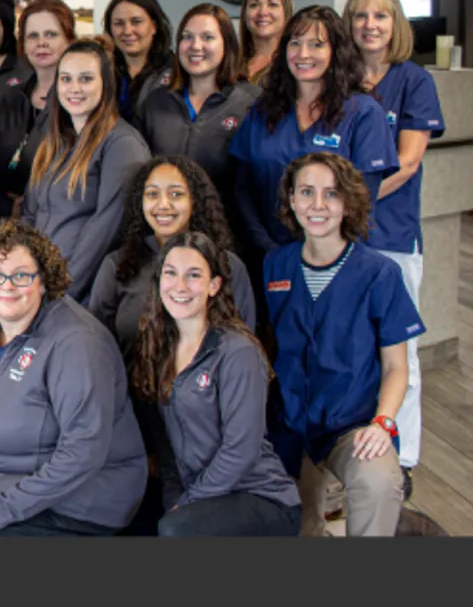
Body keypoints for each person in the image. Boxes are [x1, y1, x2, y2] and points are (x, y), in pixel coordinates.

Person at [0, 219, 148, 536]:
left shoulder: (77, 342)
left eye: (21, 276)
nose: (6, 286)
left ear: (44, 281)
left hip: (76, 502)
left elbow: (82, 452)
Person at [265, 152, 422, 537]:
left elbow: (396, 368)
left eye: (331, 194)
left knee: (379, 481)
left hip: (351, 426)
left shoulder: (379, 273)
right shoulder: (275, 266)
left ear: (348, 203)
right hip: (287, 425)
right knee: (292, 522)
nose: (318, 205)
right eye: (306, 192)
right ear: (291, 200)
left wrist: (384, 423)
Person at [131, 231, 301, 536]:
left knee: (174, 530)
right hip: (200, 498)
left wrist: (188, 505)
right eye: (171, 273)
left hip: (260, 496)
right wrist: (176, 502)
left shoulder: (237, 351)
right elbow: (167, 452)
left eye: (193, 275)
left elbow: (240, 450)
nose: (180, 286)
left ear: (214, 286)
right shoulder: (158, 351)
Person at [227, 4, 399, 307]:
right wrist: (268, 248)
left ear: (337, 52)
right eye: (295, 43)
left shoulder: (362, 113)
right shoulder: (264, 111)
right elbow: (241, 187)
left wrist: (311, 254)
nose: (303, 54)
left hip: (333, 264)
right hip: (266, 258)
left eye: (316, 44)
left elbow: (361, 201)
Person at [347, 0, 445, 495]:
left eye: (380, 17)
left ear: (396, 25)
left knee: (397, 348)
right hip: (339, 238)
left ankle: (401, 455)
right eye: (360, 16)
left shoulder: (413, 80)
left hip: (389, 235)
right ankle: (352, 452)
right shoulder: (339, 79)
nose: (369, 25)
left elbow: (406, 163)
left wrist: (344, 204)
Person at [20, 39, 151, 301]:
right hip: (39, 288)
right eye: (66, 79)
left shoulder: (122, 145)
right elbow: (30, 215)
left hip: (82, 296)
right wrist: (23, 277)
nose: (75, 88)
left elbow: (105, 232)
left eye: (86, 79)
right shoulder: (55, 143)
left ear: (106, 83)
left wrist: (60, 293)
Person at [88, 156, 256, 357]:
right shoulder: (117, 265)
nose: (163, 205)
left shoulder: (227, 265)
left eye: (176, 194)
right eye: (152, 194)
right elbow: (96, 344)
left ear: (195, 200)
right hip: (128, 386)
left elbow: (242, 346)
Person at [137, 3, 260, 206]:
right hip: (166, 225)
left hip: (226, 229)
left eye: (207, 37)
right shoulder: (155, 102)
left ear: (227, 44)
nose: (195, 45)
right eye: (187, 37)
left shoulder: (251, 103)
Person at [0, 0, 78, 212]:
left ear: (69, 41)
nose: (41, 42)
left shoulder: (79, 101)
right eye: (33, 36)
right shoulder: (11, 99)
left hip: (60, 217)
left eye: (51, 34)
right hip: (9, 218)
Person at [100, 0, 173, 126]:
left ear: (154, 26)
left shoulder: (176, 73)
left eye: (136, 22)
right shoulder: (102, 71)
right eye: (119, 23)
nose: (127, 31)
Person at [238, 0, 294, 85]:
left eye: (272, 4)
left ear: (286, 12)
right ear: (244, 14)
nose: (263, 12)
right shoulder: (231, 64)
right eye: (254, 5)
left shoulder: (294, 64)